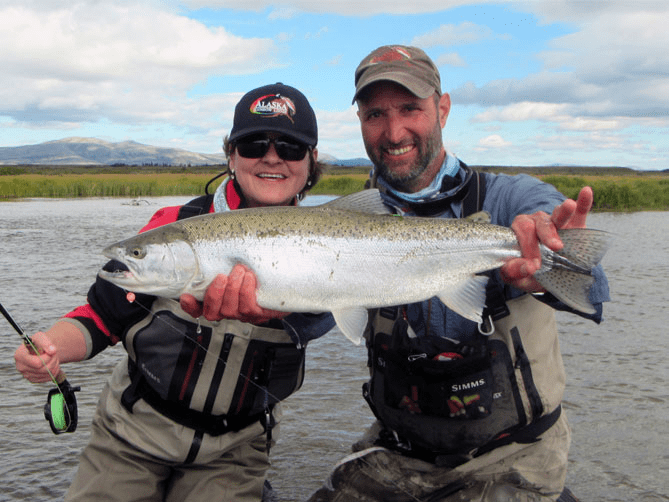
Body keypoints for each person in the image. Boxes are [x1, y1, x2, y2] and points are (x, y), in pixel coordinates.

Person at [304, 46, 610, 502]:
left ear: (442, 108)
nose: (393, 131)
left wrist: (552, 259)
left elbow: (595, 288)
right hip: (398, 457)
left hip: (513, 460)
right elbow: (314, 321)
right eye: (375, 114)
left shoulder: (508, 198)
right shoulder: (343, 225)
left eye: (410, 108)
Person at [14, 82, 334, 502]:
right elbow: (99, 316)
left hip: (235, 451)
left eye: (291, 148)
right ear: (231, 157)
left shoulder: (334, 243)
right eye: (254, 143)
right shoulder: (171, 225)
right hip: (131, 433)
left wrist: (278, 312)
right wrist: (49, 348)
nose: (271, 157)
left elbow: (324, 319)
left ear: (311, 164)